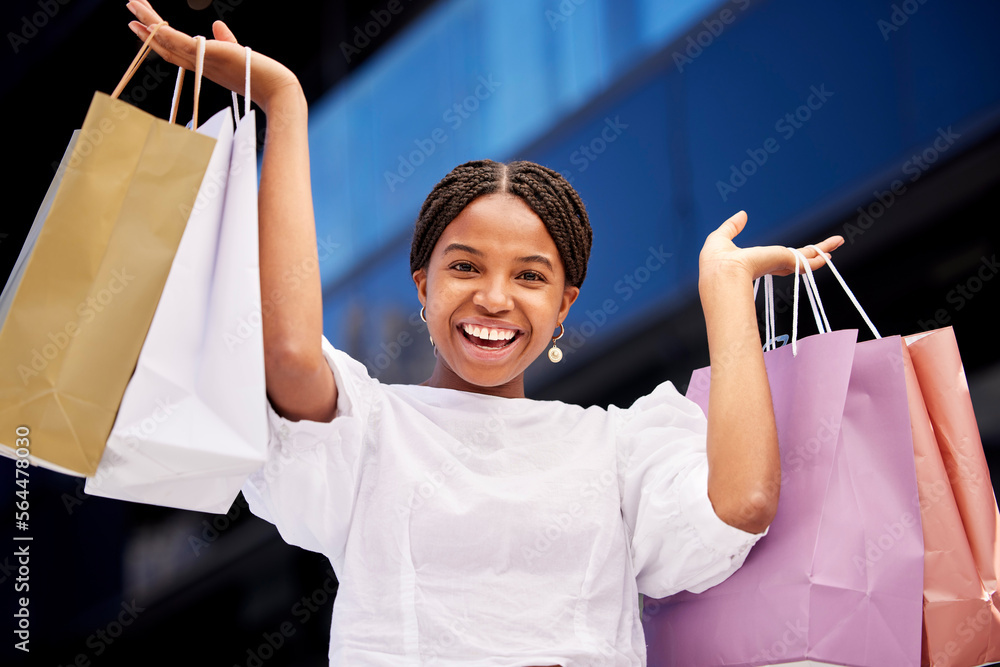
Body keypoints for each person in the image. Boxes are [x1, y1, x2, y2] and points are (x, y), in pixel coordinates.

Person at [124, 2, 844, 664]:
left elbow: (742, 505)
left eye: (530, 277)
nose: (495, 298)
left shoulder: (617, 448)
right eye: (464, 266)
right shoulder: (372, 429)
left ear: (565, 306)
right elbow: (286, 350)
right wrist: (284, 104)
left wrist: (724, 292)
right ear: (423, 286)